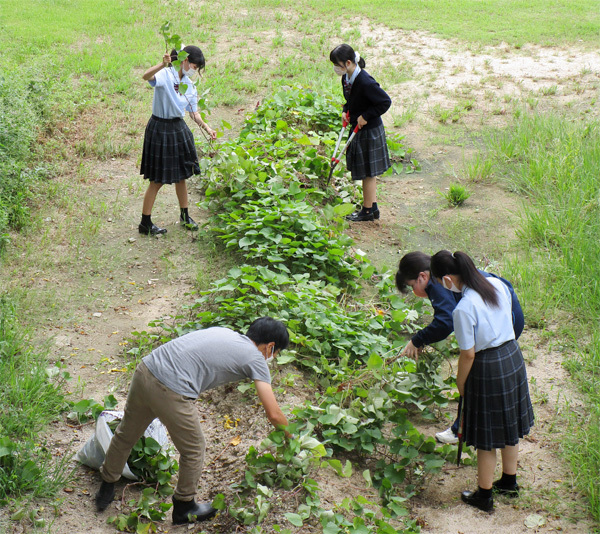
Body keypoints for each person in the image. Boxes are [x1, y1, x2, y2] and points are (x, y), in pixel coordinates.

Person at [94, 317, 290, 524]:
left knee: (127, 433)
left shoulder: (225, 332)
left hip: (146, 369)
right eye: (276, 353)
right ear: (270, 346)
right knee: (194, 448)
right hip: (170, 389)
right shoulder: (255, 358)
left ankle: (106, 485)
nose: (273, 357)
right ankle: (184, 506)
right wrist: (291, 436)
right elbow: (274, 414)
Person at [429, 251, 534, 512]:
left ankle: (484, 495)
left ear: (447, 279)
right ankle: (509, 482)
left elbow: (468, 354)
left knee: (487, 436)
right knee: (510, 425)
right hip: (512, 356)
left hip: (487, 366)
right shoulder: (496, 284)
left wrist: (460, 382)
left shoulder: (464, 308)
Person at [395, 251, 524, 445]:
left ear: (423, 276)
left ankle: (460, 430)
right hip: (504, 308)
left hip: (505, 316)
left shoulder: (438, 283)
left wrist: (418, 340)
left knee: (473, 376)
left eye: (413, 286)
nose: (414, 291)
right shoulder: (446, 270)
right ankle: (482, 420)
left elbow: (445, 322)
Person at [138, 45, 217, 236]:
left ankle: (185, 216)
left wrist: (207, 127)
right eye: (194, 65)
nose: (194, 70)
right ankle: (145, 223)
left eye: (197, 68)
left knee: (182, 175)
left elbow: (193, 112)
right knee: (157, 180)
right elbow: (145, 77)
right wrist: (161, 64)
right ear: (184, 60)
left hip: (178, 128)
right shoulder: (166, 74)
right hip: (160, 127)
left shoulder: (189, 84)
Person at [329, 44, 391, 222]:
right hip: (358, 126)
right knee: (365, 170)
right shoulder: (347, 78)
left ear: (348, 63)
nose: (335, 68)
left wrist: (366, 116)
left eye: (337, 65)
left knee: (368, 173)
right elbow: (351, 99)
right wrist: (346, 110)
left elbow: (385, 102)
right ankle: (373, 206)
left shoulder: (365, 81)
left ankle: (367, 211)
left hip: (369, 130)